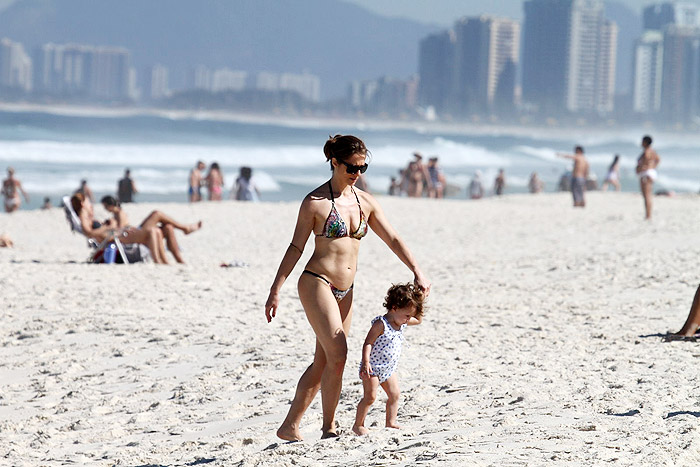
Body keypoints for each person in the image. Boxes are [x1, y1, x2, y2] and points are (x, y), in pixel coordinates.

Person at [264, 134, 431, 441]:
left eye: (363, 168)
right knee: (339, 352)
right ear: (335, 162)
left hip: (346, 289)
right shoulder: (314, 203)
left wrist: (417, 270)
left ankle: (313, 427)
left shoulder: (365, 202)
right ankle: (308, 426)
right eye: (352, 167)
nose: (357, 173)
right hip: (317, 282)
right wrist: (276, 289)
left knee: (327, 359)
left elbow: (392, 238)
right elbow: (295, 248)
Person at [352, 283, 424, 435]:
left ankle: (390, 422)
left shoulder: (401, 321)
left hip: (389, 368)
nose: (408, 319)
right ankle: (358, 425)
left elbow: (418, 320)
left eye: (409, 316)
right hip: (373, 368)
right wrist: (365, 362)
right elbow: (368, 343)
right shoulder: (381, 324)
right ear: (394, 308)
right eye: (407, 315)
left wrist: (421, 300)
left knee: (394, 394)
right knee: (370, 397)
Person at [71, 193, 200, 265]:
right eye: (88, 201)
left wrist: (108, 225)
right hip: (119, 238)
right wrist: (108, 227)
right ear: (83, 204)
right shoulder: (83, 215)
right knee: (156, 215)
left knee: (167, 228)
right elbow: (89, 233)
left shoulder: (88, 216)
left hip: (120, 234)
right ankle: (184, 229)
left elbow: (96, 231)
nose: (90, 203)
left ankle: (174, 261)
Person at [636, 135, 660, 220]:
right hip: (649, 173)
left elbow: (644, 162)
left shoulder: (646, 152)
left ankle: (648, 215)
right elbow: (658, 159)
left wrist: (645, 167)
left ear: (645, 142)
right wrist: (653, 166)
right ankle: (648, 214)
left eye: (642, 141)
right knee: (647, 195)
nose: (641, 143)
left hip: (646, 174)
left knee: (646, 195)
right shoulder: (652, 151)